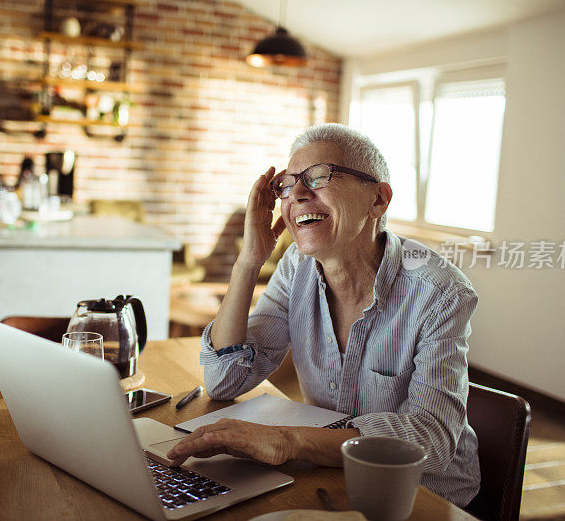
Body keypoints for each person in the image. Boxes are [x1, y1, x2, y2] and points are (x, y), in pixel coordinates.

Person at [166, 123, 480, 507]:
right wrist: (248, 261)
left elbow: (432, 439)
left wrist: (288, 440)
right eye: (286, 184)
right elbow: (223, 380)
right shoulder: (295, 265)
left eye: (318, 177)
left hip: (420, 494)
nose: (296, 194)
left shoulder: (441, 292)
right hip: (328, 475)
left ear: (378, 200)